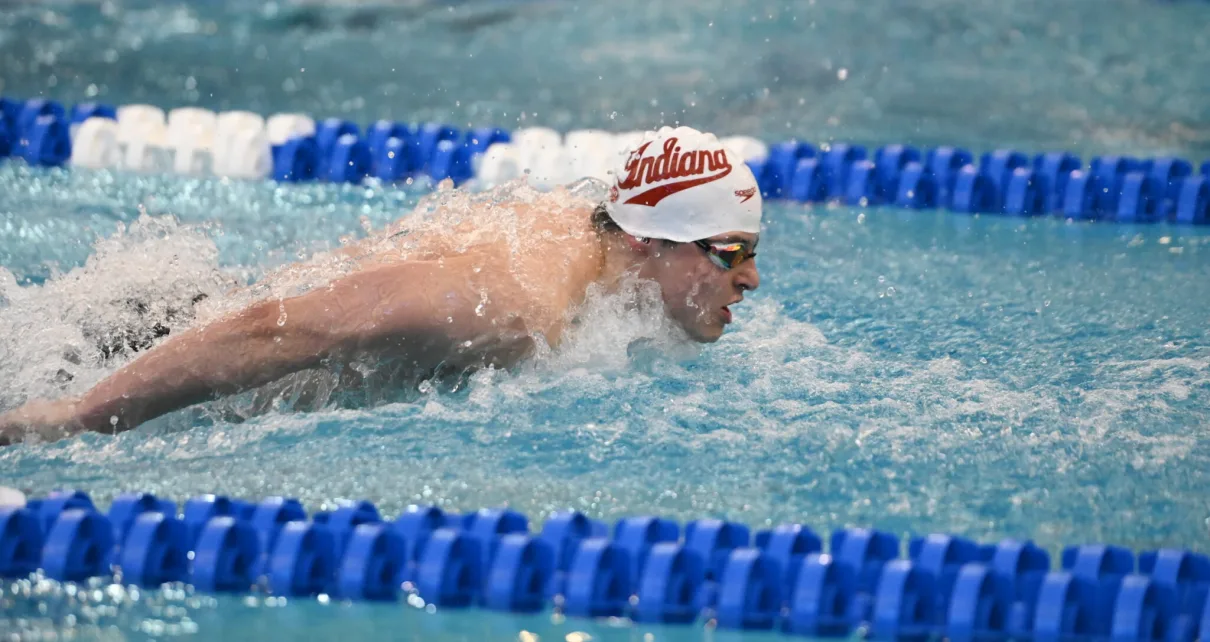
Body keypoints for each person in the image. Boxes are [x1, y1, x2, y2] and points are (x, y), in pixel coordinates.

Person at [0, 125, 762, 445]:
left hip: (182, 317)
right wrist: (78, 414)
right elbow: (290, 328)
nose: (750, 279)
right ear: (642, 238)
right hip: (165, 360)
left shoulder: (578, 230)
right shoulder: (518, 305)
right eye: (728, 252)